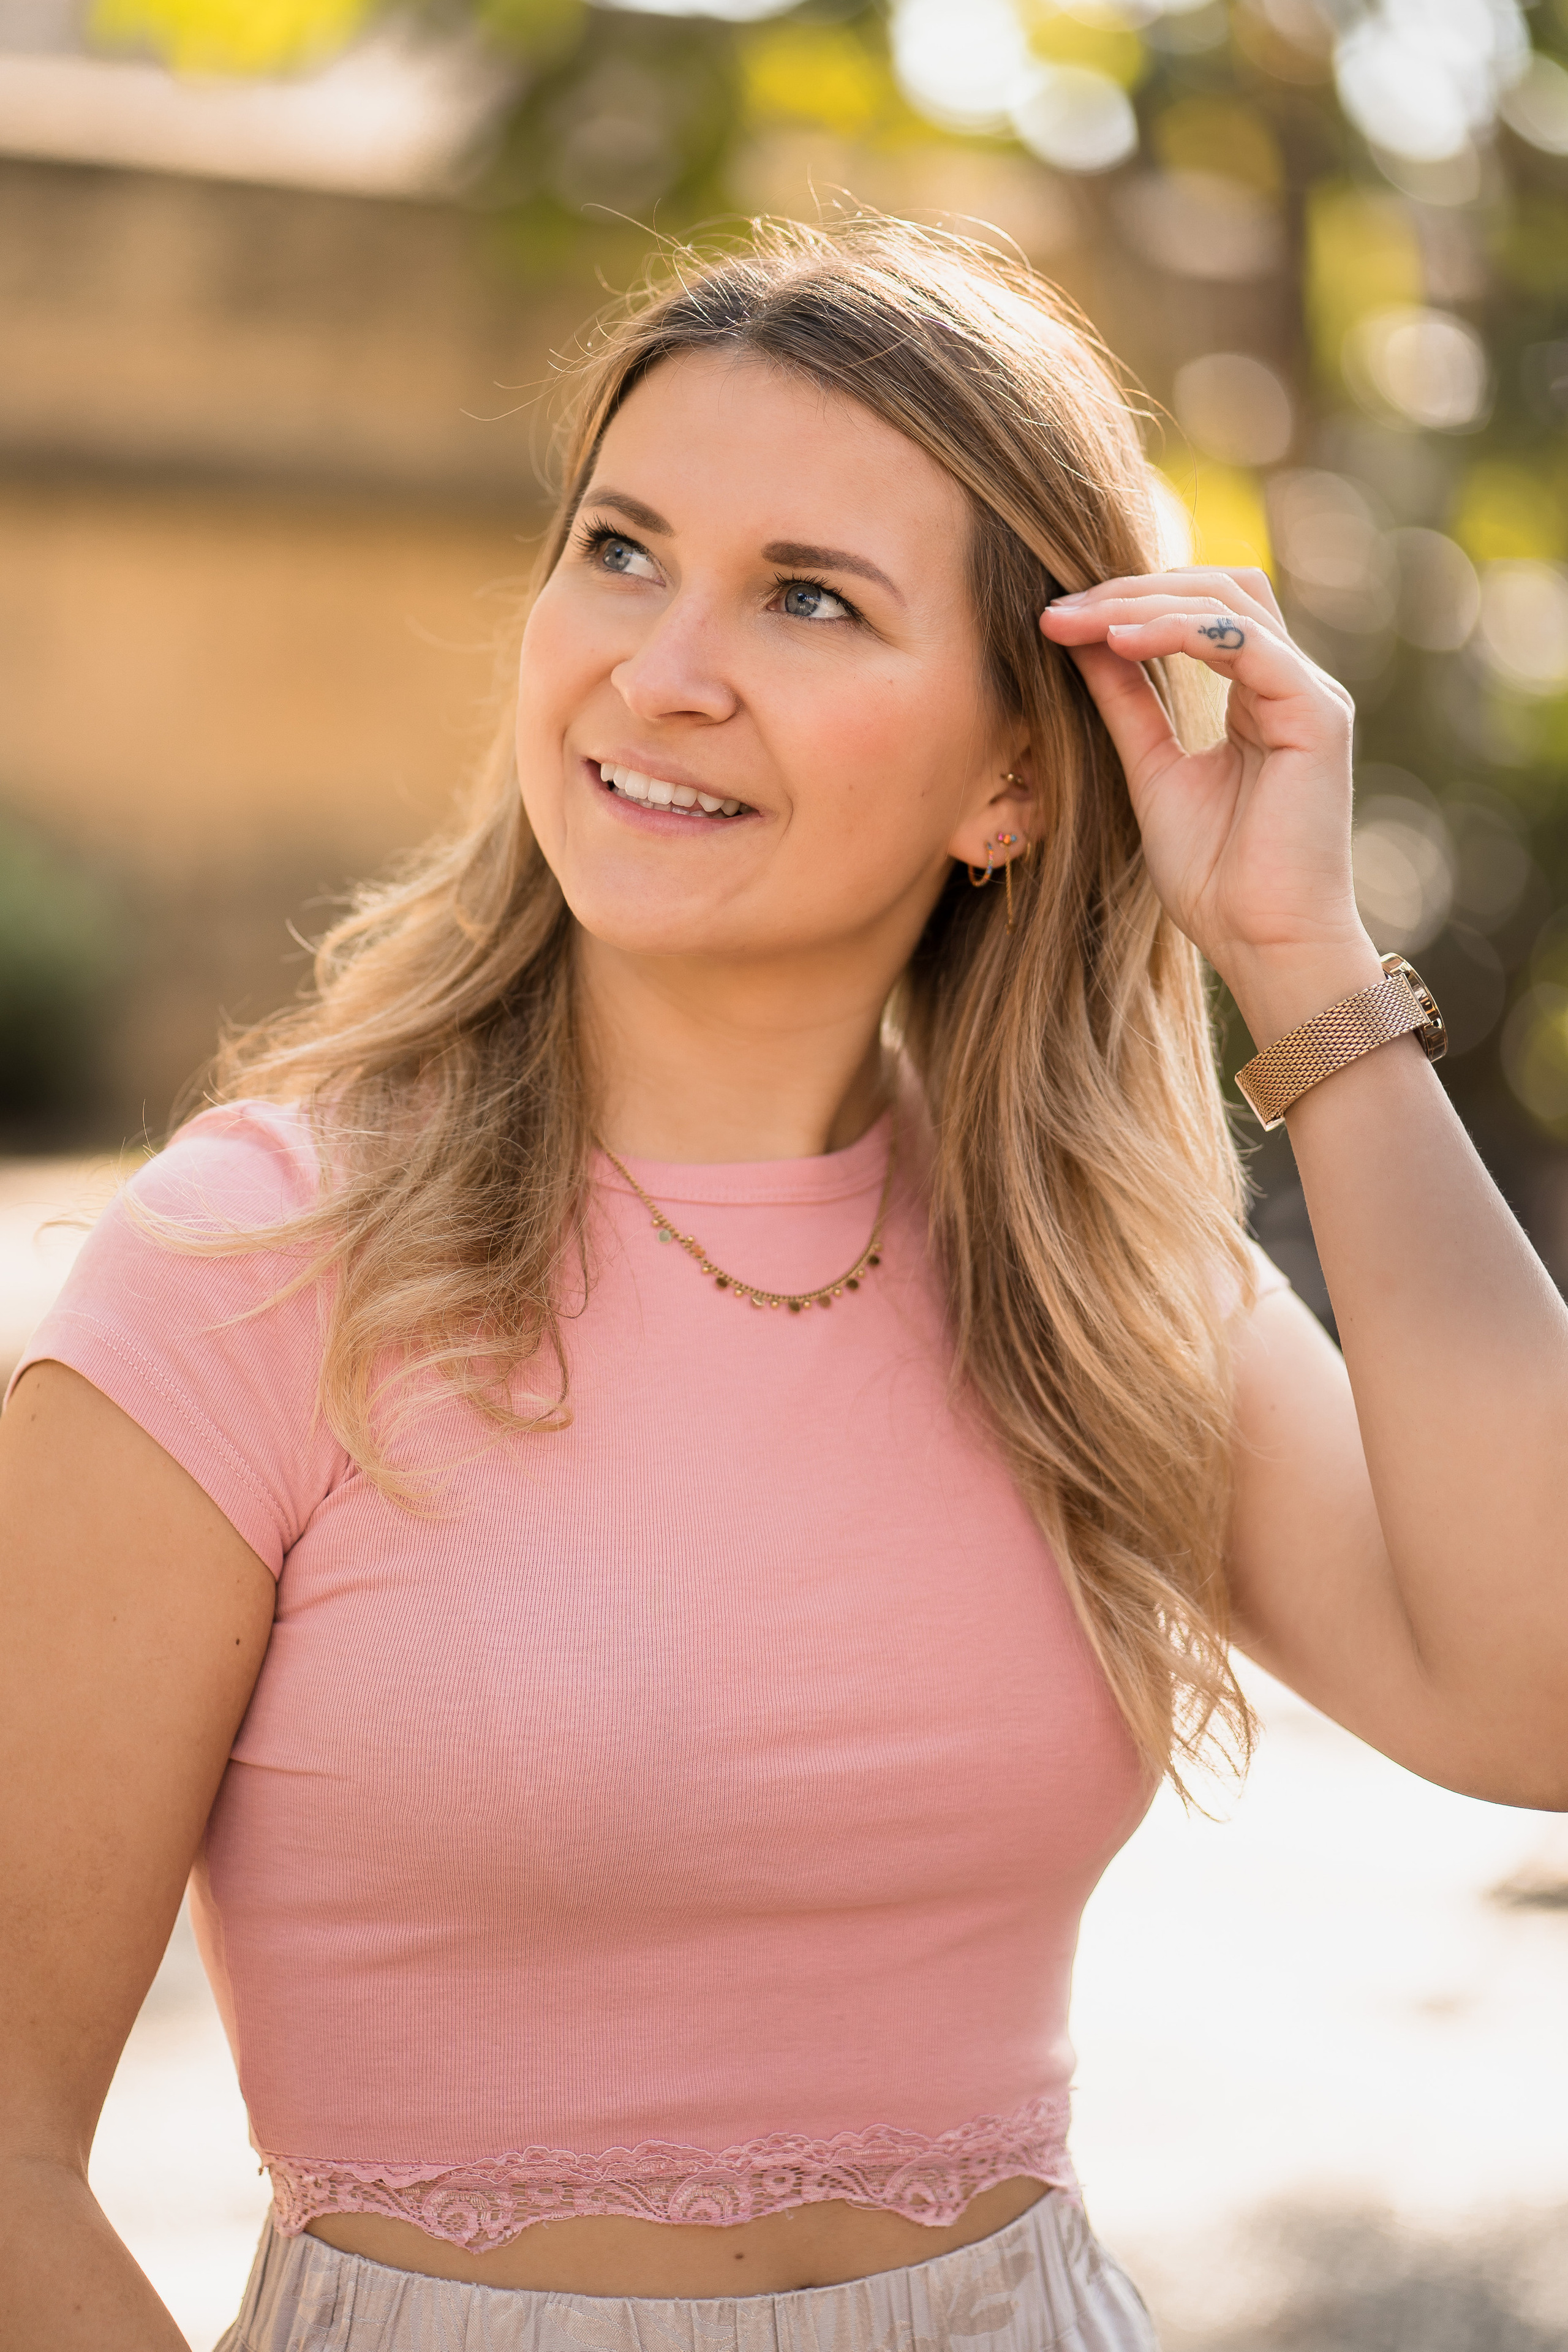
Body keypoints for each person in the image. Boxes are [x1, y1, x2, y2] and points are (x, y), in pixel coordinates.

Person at [4, 216, 1566, 2352]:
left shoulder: (1090, 1275)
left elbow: (1537, 1696)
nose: (662, 669)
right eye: (621, 551)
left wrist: (1305, 965)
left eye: (809, 596)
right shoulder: (252, 1267)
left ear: (1016, 775)